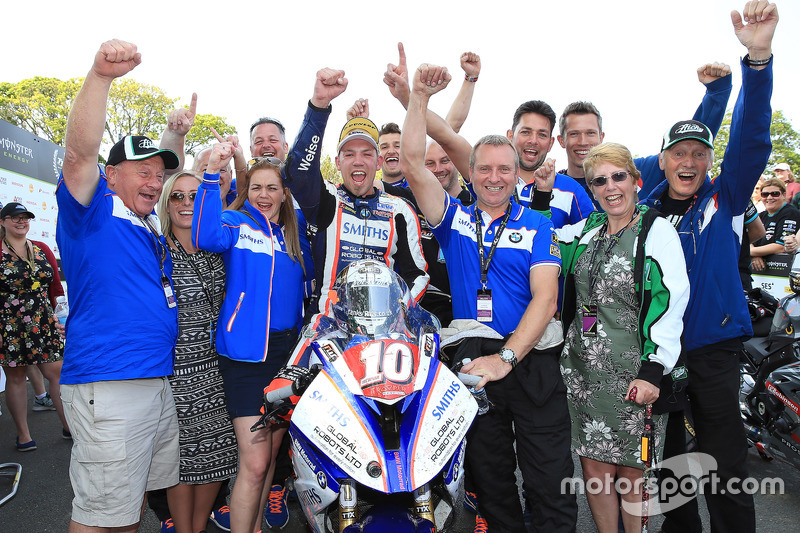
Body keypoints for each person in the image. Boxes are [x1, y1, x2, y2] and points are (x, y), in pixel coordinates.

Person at [401, 63, 575, 533]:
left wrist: (507, 358)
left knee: (551, 481)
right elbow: (414, 162)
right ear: (470, 173)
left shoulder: (538, 225)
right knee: (493, 485)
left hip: (529, 359)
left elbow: (545, 299)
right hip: (473, 362)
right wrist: (418, 97)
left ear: (517, 173)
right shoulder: (453, 217)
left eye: (504, 169)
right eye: (484, 169)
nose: (494, 177)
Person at [640, 4, 779, 532]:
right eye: (680, 153)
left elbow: (749, 138)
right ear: (665, 159)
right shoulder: (645, 209)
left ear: (708, 162)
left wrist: (757, 60)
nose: (690, 161)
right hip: (660, 354)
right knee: (671, 470)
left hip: (716, 351)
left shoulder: (727, 198)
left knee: (725, 466)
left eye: (700, 153)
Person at [56, 39, 181, 533]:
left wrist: (175, 133)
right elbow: (78, 151)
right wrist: (100, 77)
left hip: (151, 381)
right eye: (142, 172)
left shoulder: (144, 221)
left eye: (158, 174)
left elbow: (166, 166)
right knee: (98, 517)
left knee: (125, 511)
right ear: (110, 176)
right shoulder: (93, 208)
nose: (154, 181)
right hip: (110, 384)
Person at [545, 144, 689, 533]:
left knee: (631, 471)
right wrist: (543, 193)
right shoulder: (586, 230)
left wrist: (654, 369)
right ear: (591, 189)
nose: (610, 187)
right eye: (599, 180)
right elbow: (540, 239)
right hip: (582, 373)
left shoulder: (656, 231)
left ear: (636, 181)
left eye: (618, 176)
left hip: (632, 375)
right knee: (593, 465)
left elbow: (670, 301)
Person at [193, 145, 310, 533]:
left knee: (272, 456)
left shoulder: (292, 235)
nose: (263, 194)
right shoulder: (235, 222)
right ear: (248, 189)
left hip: (286, 357)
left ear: (283, 193)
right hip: (245, 357)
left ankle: (255, 526)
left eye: (272, 187)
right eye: (256, 186)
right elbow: (204, 235)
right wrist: (213, 173)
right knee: (255, 462)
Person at [155, 171, 237, 533]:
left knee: (217, 458)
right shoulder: (156, 250)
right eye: (178, 197)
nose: (186, 203)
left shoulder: (216, 248)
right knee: (181, 463)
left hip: (217, 370)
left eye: (193, 196)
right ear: (166, 204)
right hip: (174, 372)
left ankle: (198, 527)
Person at [555, 62, 733, 205]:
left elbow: (689, 142)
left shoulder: (635, 170)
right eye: (574, 134)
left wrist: (716, 93)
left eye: (591, 133)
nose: (583, 141)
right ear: (561, 141)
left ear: (602, 137)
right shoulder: (552, 187)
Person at [1, 202, 70, 450]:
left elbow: (56, 288)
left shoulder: (40, 249)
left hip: (43, 321)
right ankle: (23, 435)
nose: (21, 221)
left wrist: (61, 317)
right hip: (9, 324)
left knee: (57, 373)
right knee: (17, 377)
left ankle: (69, 427)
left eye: (26, 217)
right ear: (3, 221)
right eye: (15, 217)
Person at [750, 177, 800, 271]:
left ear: (784, 195)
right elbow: (748, 240)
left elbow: (781, 247)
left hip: (783, 270)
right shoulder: (760, 215)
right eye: (765, 194)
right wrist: (754, 255)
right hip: (762, 273)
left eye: (775, 194)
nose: (769, 197)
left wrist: (751, 252)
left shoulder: (790, 213)